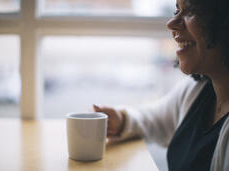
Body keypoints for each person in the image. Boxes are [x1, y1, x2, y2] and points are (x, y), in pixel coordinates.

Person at [93, 0, 229, 170]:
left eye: (192, 11)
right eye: (177, 10)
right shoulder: (199, 90)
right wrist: (121, 120)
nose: (171, 23)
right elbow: (156, 120)